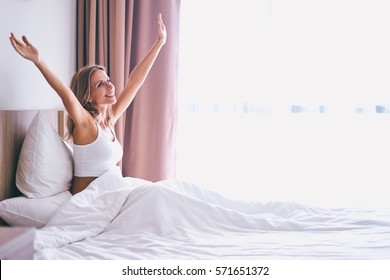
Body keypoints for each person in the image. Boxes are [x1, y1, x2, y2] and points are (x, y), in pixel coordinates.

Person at [10, 13, 167, 195]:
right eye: (100, 84)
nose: (110, 85)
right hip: (89, 203)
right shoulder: (86, 125)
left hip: (111, 196)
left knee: (163, 193)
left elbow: (135, 81)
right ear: (88, 97)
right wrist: (39, 62)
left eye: (108, 79)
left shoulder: (109, 120)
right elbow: (67, 96)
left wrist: (159, 43)